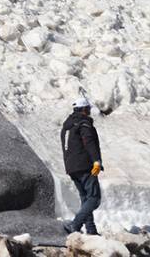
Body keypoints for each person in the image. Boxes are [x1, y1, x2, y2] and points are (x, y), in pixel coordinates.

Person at [61, 97, 103, 235]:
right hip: (85, 166)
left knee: (85, 198)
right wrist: (96, 160)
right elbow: (88, 142)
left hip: (71, 167)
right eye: (88, 109)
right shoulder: (83, 124)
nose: (89, 112)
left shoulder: (67, 126)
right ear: (84, 109)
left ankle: (91, 230)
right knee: (94, 198)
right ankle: (75, 224)